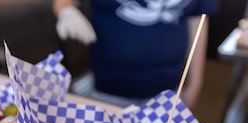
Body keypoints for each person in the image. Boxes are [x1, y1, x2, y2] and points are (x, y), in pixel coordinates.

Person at [53, 0, 219, 108]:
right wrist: (65, 10)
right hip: (108, 89)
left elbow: (199, 20)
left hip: (168, 91)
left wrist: (196, 82)